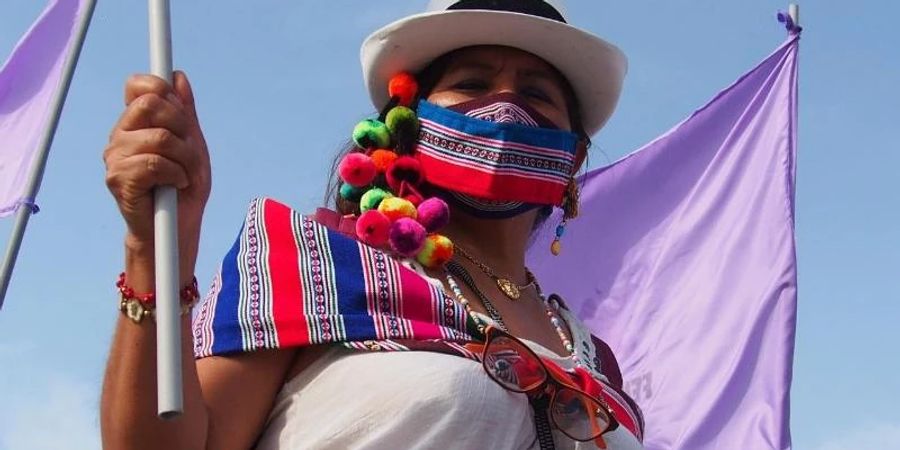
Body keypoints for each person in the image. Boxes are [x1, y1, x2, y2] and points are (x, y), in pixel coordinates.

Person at [100, 1, 644, 449]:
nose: (504, 107)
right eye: (472, 83)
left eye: (536, 95)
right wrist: (156, 251)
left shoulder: (595, 361)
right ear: (406, 126)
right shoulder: (313, 260)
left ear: (570, 161)